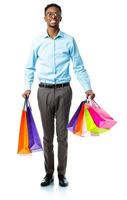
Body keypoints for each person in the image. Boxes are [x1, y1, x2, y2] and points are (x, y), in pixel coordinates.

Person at [22, 3, 95, 187]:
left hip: (64, 91)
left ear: (61, 18)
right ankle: (49, 174)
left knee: (62, 135)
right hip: (43, 91)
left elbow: (79, 66)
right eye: (49, 14)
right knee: (47, 136)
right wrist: (27, 87)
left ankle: (62, 174)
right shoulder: (37, 41)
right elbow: (29, 67)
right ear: (45, 18)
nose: (53, 16)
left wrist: (88, 88)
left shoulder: (69, 40)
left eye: (56, 14)